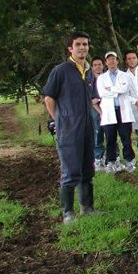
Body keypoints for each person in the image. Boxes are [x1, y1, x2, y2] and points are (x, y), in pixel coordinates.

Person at [42, 33, 100, 224]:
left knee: (87, 168)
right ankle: (68, 212)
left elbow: (92, 98)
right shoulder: (61, 70)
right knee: (70, 170)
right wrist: (59, 120)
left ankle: (87, 207)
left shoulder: (89, 71)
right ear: (70, 48)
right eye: (78, 44)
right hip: (68, 128)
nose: (82, 47)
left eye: (85, 44)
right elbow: (49, 98)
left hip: (87, 126)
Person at [96, 51, 138, 173]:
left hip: (124, 111)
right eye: (109, 59)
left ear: (117, 61)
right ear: (106, 62)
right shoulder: (101, 78)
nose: (111, 61)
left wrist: (111, 89)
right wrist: (118, 91)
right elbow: (102, 93)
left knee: (126, 138)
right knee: (110, 139)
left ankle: (129, 161)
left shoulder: (126, 76)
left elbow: (129, 91)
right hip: (109, 113)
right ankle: (111, 162)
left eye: (113, 59)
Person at [87, 57, 108, 171]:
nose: (97, 67)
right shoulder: (88, 80)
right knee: (97, 133)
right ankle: (98, 158)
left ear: (103, 65)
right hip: (94, 111)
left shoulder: (107, 78)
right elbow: (88, 98)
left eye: (99, 64)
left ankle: (112, 157)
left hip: (108, 108)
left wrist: (99, 99)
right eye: (95, 65)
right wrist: (98, 108)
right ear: (92, 67)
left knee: (110, 134)